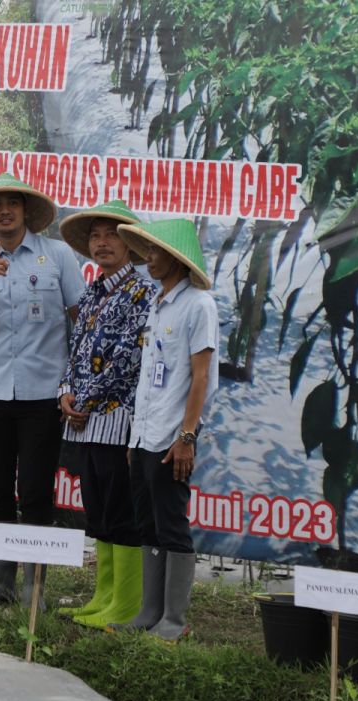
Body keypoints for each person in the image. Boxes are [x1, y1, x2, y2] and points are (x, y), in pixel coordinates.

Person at [0, 173, 83, 608]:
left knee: (34, 491)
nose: (4, 210)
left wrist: (75, 382)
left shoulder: (58, 255)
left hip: (43, 394)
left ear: (26, 211)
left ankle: (35, 586)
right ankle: (1, 581)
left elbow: (81, 320)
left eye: (12, 203)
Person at [108, 219, 219, 641]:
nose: (147, 258)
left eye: (154, 252)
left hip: (174, 437)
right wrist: (135, 438)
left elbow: (200, 377)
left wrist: (187, 436)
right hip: (145, 435)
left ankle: (175, 619)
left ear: (176, 258)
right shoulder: (158, 303)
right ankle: (150, 610)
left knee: (172, 523)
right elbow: (149, 375)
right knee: (147, 523)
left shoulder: (199, 305)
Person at [54, 200, 156, 628]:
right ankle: (103, 596)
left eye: (111, 234)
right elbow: (75, 352)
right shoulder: (92, 293)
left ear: (131, 244)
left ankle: (128, 604)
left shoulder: (143, 292)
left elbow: (130, 358)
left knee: (121, 511)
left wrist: (86, 400)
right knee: (97, 511)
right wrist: (65, 393)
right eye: (95, 236)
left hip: (118, 421)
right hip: (85, 421)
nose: (101, 243)